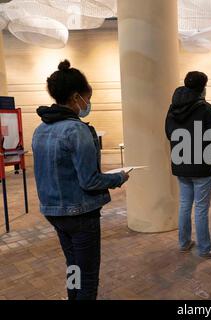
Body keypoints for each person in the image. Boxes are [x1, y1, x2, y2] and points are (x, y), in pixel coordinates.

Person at [32, 60, 129, 300]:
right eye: (88, 97)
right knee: (87, 276)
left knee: (73, 265)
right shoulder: (76, 130)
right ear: (76, 97)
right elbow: (90, 181)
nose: (88, 104)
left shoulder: (40, 129)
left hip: (54, 211)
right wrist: (119, 177)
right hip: (80, 214)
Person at [165, 71, 211, 258]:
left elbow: (169, 133)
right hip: (201, 166)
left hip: (181, 162)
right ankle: (205, 248)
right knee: (200, 207)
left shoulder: (172, 109)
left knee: (184, 204)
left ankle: (184, 243)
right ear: (202, 87)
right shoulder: (206, 108)